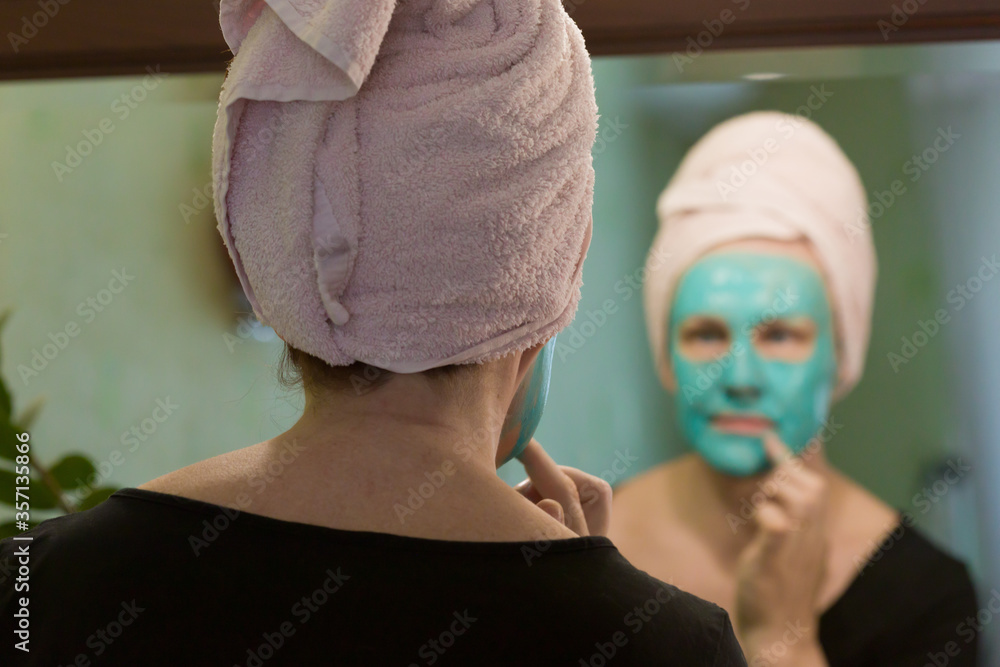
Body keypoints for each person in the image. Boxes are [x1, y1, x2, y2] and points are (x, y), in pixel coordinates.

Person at [0, 1, 747, 665]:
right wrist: (595, 604)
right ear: (551, 265)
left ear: (267, 249)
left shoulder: (33, 590)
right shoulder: (668, 646)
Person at [609, 110, 979, 666]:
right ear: (666, 355)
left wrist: (785, 640)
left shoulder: (928, 596)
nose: (738, 378)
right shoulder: (580, 540)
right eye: (706, 333)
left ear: (841, 355)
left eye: (780, 335)